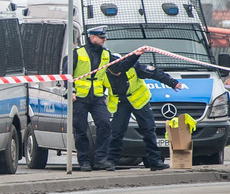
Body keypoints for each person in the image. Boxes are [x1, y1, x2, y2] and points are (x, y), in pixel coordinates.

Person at [103, 52, 187, 171]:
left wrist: (173, 83)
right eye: (116, 70)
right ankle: (111, 161)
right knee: (116, 132)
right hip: (121, 102)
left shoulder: (133, 67)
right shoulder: (104, 73)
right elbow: (96, 87)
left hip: (139, 100)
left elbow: (155, 73)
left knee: (148, 130)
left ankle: (155, 161)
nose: (119, 72)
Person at [61, 26, 112, 172]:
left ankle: (101, 159)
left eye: (104, 37)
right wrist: (71, 91)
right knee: (80, 129)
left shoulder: (106, 54)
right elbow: (66, 74)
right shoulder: (78, 53)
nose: (104, 40)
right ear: (92, 38)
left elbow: (118, 65)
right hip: (79, 98)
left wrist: (136, 55)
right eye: (101, 38)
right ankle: (84, 161)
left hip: (97, 97)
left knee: (104, 124)